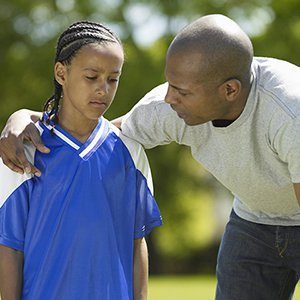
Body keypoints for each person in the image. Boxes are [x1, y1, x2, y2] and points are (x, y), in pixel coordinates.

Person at [1, 13, 300, 300]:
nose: (168, 98)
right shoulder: (168, 110)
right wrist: (22, 117)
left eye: (181, 91)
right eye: (170, 85)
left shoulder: (289, 113)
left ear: (229, 90)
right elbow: (94, 131)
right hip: (253, 220)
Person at [0, 21, 162, 300]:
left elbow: (137, 244)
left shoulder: (129, 151)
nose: (103, 89)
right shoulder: (24, 149)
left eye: (113, 79)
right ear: (61, 73)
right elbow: (10, 248)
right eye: (91, 77)